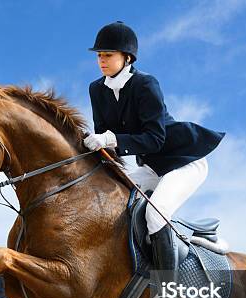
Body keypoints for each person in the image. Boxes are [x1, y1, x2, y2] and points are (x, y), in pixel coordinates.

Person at [84, 21, 225, 277]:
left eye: (107, 55)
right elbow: (106, 139)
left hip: (183, 161)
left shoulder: (146, 84)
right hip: (150, 167)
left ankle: (166, 294)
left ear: (126, 58)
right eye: (99, 55)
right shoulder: (97, 89)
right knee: (113, 203)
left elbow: (154, 139)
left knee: (155, 215)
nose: (101, 60)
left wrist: (109, 139)